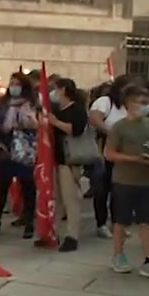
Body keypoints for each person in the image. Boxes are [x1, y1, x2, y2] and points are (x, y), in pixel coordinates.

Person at [103, 84, 149, 275]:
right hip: (124, 181)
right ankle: (118, 255)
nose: (146, 105)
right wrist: (135, 159)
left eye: (147, 101)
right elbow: (110, 154)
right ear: (129, 104)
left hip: (148, 182)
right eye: (141, 102)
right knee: (121, 221)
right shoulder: (119, 128)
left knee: (147, 222)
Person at [44, 77, 90, 252]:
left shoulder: (76, 110)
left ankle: (72, 236)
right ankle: (54, 232)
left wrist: (55, 122)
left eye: (55, 89)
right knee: (57, 199)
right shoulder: (57, 109)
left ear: (63, 90)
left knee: (71, 200)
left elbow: (75, 130)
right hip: (57, 159)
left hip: (70, 161)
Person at [0, 72, 40, 239]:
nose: (14, 86)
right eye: (12, 83)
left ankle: (28, 221)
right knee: (2, 186)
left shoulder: (32, 103)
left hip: (26, 149)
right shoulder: (4, 103)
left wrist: (26, 120)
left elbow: (38, 124)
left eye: (17, 83)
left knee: (28, 186)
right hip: (7, 148)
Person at [89, 74, 133, 239]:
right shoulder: (105, 102)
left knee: (119, 191)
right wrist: (113, 133)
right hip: (104, 152)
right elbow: (94, 118)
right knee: (102, 190)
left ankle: (118, 223)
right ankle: (101, 223)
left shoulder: (128, 106)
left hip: (123, 154)